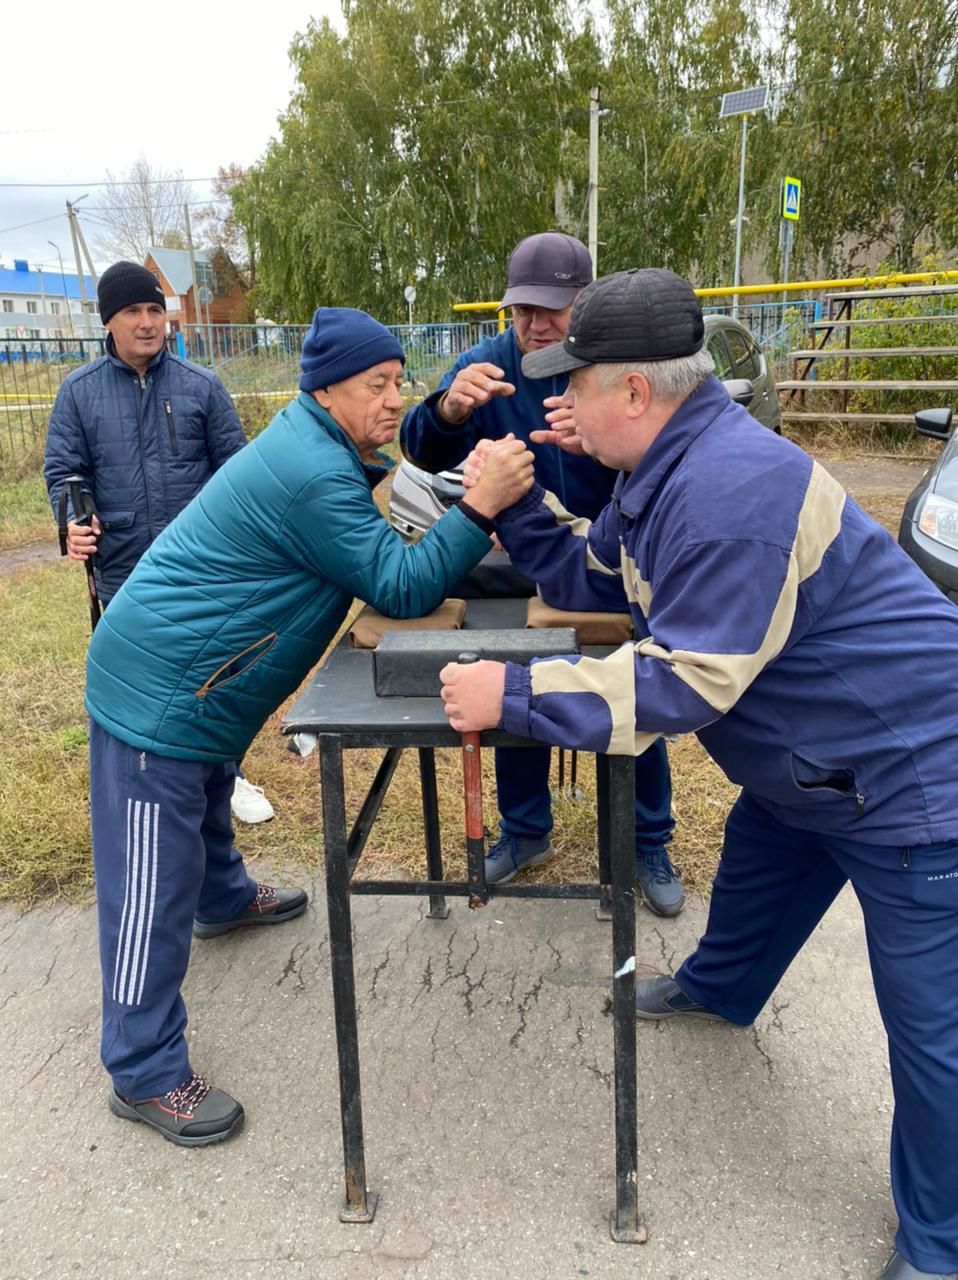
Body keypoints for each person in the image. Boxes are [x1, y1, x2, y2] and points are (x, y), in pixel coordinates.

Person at [439, 267, 958, 1280]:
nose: (560, 399)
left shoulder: (728, 491)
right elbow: (600, 578)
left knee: (931, 1034)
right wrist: (511, 510)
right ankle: (723, 989)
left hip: (910, 776)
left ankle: (939, 1245)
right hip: (808, 766)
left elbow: (681, 683)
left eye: (574, 380)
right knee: (762, 865)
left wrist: (512, 695)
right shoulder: (664, 472)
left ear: (634, 391)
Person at [83, 306, 535, 1149]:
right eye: (377, 385)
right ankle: (142, 1069)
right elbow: (400, 586)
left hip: (202, 686)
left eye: (399, 382)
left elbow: (395, 532)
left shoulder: (330, 447)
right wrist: (479, 507)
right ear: (325, 388)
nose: (392, 400)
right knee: (148, 877)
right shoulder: (314, 473)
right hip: (159, 690)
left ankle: (220, 897)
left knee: (208, 782)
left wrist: (460, 508)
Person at [402, 231, 681, 916]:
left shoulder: (611, 365)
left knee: (635, 694)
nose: (533, 324)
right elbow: (414, 449)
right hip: (516, 564)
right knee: (518, 687)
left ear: (583, 300)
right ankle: (526, 831)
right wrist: (448, 410)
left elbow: (660, 456)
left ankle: (647, 840)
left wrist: (601, 449)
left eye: (550, 309)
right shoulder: (484, 367)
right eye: (522, 308)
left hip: (613, 562)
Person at [43, 261, 273, 826]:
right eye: (133, 312)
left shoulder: (202, 387)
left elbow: (237, 476)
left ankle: (227, 773)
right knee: (138, 688)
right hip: (121, 570)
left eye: (154, 311)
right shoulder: (78, 393)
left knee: (212, 683)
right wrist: (71, 521)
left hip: (202, 574)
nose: (147, 323)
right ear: (109, 322)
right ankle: (138, 783)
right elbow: (65, 473)